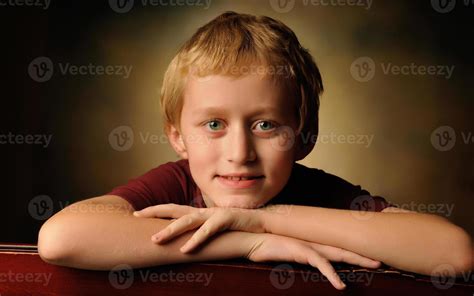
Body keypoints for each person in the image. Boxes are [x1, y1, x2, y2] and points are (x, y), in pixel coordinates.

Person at [38, 11, 472, 290]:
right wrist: (246, 243)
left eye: (266, 125)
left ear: (306, 135)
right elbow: (61, 238)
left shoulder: (319, 194)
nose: (240, 151)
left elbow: (453, 253)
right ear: (178, 137)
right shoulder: (174, 185)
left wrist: (263, 218)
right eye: (213, 125)